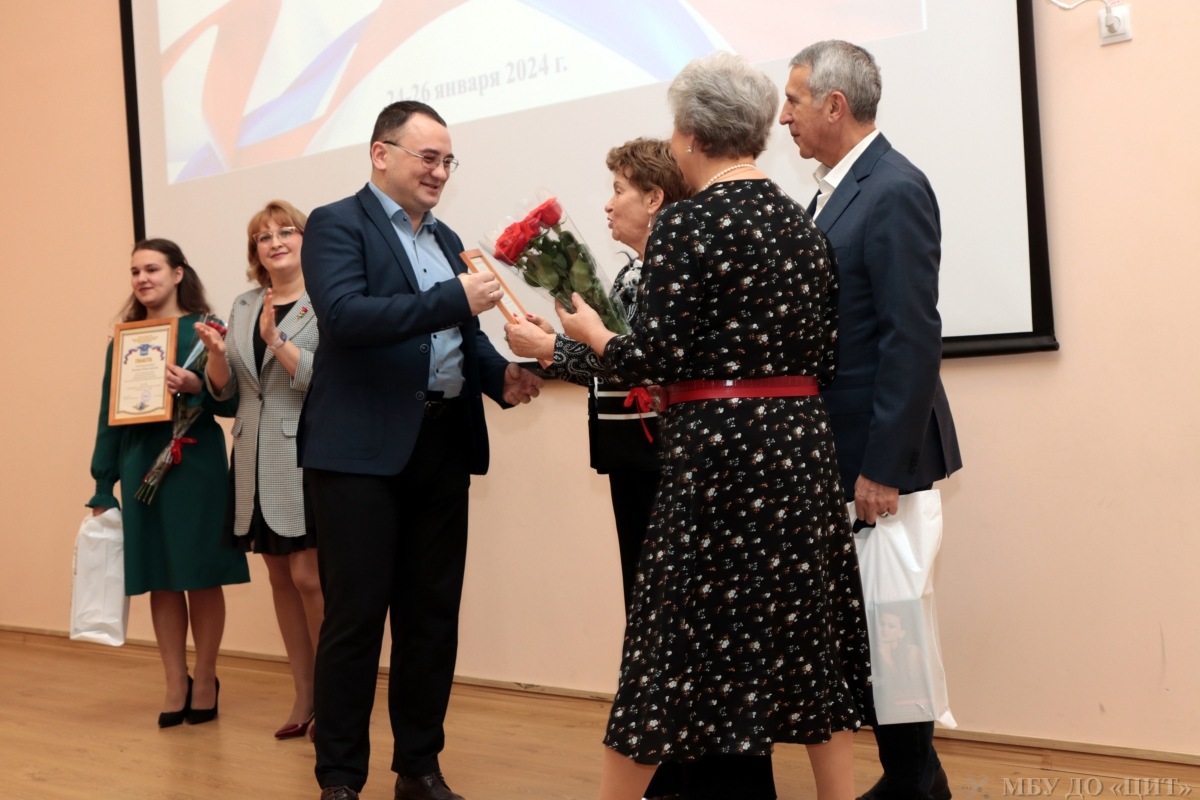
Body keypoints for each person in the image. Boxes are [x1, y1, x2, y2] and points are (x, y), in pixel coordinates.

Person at [557, 52, 871, 800]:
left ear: (694, 135)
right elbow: (827, 357)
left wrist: (593, 335)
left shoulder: (686, 224)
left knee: (667, 651)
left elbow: (654, 358)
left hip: (720, 460)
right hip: (801, 450)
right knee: (809, 645)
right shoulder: (803, 225)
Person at [504, 138, 778, 800]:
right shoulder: (641, 271)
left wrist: (555, 350)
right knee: (659, 618)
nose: (607, 204)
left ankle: (683, 765)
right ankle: (671, 761)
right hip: (637, 458)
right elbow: (624, 360)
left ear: (655, 198)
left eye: (620, 189)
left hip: (665, 460)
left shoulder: (668, 270)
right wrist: (560, 345)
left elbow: (642, 367)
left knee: (675, 622)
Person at [298, 100, 544, 800]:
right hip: (359, 455)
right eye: (427, 157)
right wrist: (455, 300)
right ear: (382, 155)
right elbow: (345, 317)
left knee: (431, 619)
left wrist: (501, 377)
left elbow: (461, 339)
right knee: (355, 621)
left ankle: (419, 768)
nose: (439, 172)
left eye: (447, 161)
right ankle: (340, 779)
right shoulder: (336, 224)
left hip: (442, 445)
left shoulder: (446, 237)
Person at [778, 40, 963, 800]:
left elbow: (911, 337)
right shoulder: (833, 191)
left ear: (834, 105)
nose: (782, 116)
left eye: (793, 100)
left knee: (893, 631)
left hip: (881, 459)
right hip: (843, 450)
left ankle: (915, 782)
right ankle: (913, 781)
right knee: (873, 634)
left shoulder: (893, 188)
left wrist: (882, 466)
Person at [87, 238, 249, 728]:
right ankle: (175, 680)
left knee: (200, 575)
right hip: (142, 466)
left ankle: (206, 677)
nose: (142, 279)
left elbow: (232, 402)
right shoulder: (125, 340)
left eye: (152, 269)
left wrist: (198, 387)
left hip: (195, 466)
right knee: (160, 576)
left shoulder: (209, 330)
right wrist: (103, 484)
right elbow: (108, 416)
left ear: (178, 273)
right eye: (135, 271)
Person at [194, 200, 323, 741]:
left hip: (308, 453)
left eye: (285, 231)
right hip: (252, 457)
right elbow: (226, 392)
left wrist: (276, 341)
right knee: (279, 578)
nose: (275, 242)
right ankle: (304, 696)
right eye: (263, 237)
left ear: (306, 240)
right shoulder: (244, 304)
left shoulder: (328, 300)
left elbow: (323, 380)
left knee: (309, 577)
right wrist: (216, 355)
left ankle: (336, 699)